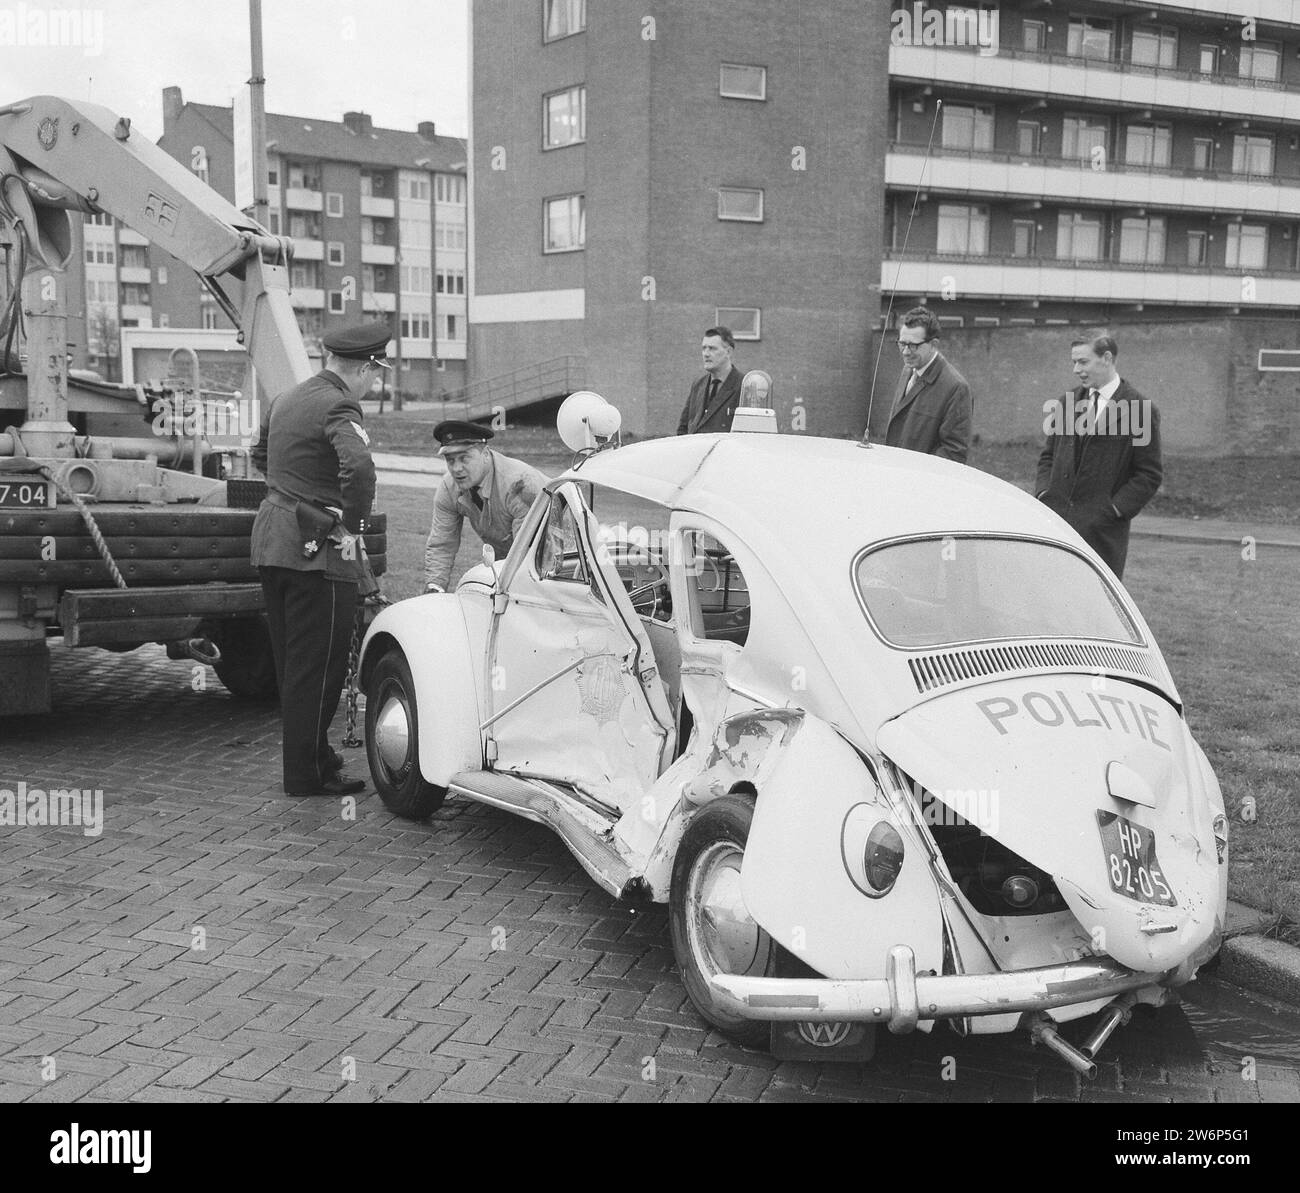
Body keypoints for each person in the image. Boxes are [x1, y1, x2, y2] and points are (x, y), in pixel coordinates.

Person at [250, 321, 384, 797]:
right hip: (317, 552)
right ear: (365, 368)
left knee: (294, 665)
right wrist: (351, 522)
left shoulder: (284, 399)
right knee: (320, 668)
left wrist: (295, 490)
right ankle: (305, 774)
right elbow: (360, 468)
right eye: (376, 372)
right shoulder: (341, 404)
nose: (375, 383)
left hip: (272, 543)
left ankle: (315, 759)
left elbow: (259, 454)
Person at [1035, 329, 1162, 580]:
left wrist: (1112, 511)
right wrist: (1044, 495)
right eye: (1074, 362)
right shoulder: (1066, 402)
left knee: (1094, 610)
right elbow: (1048, 457)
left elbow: (1148, 475)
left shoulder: (1140, 410)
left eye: (1083, 361)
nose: (1076, 369)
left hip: (1103, 537)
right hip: (1058, 530)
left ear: (1106, 358)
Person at [423, 421, 547, 593]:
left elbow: (529, 556)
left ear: (486, 454)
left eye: (464, 458)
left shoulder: (520, 484)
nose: (456, 468)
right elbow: (443, 543)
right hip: (513, 562)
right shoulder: (449, 487)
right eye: (450, 460)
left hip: (567, 560)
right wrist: (434, 587)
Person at [883, 306, 972, 462]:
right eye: (902, 343)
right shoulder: (907, 371)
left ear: (934, 344)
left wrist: (916, 473)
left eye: (913, 345)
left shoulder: (956, 388)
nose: (905, 352)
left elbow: (954, 453)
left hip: (922, 481)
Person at [677, 326, 742, 434]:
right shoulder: (698, 385)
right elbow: (683, 428)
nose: (706, 354)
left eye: (712, 348)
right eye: (704, 348)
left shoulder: (744, 386)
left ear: (729, 352)